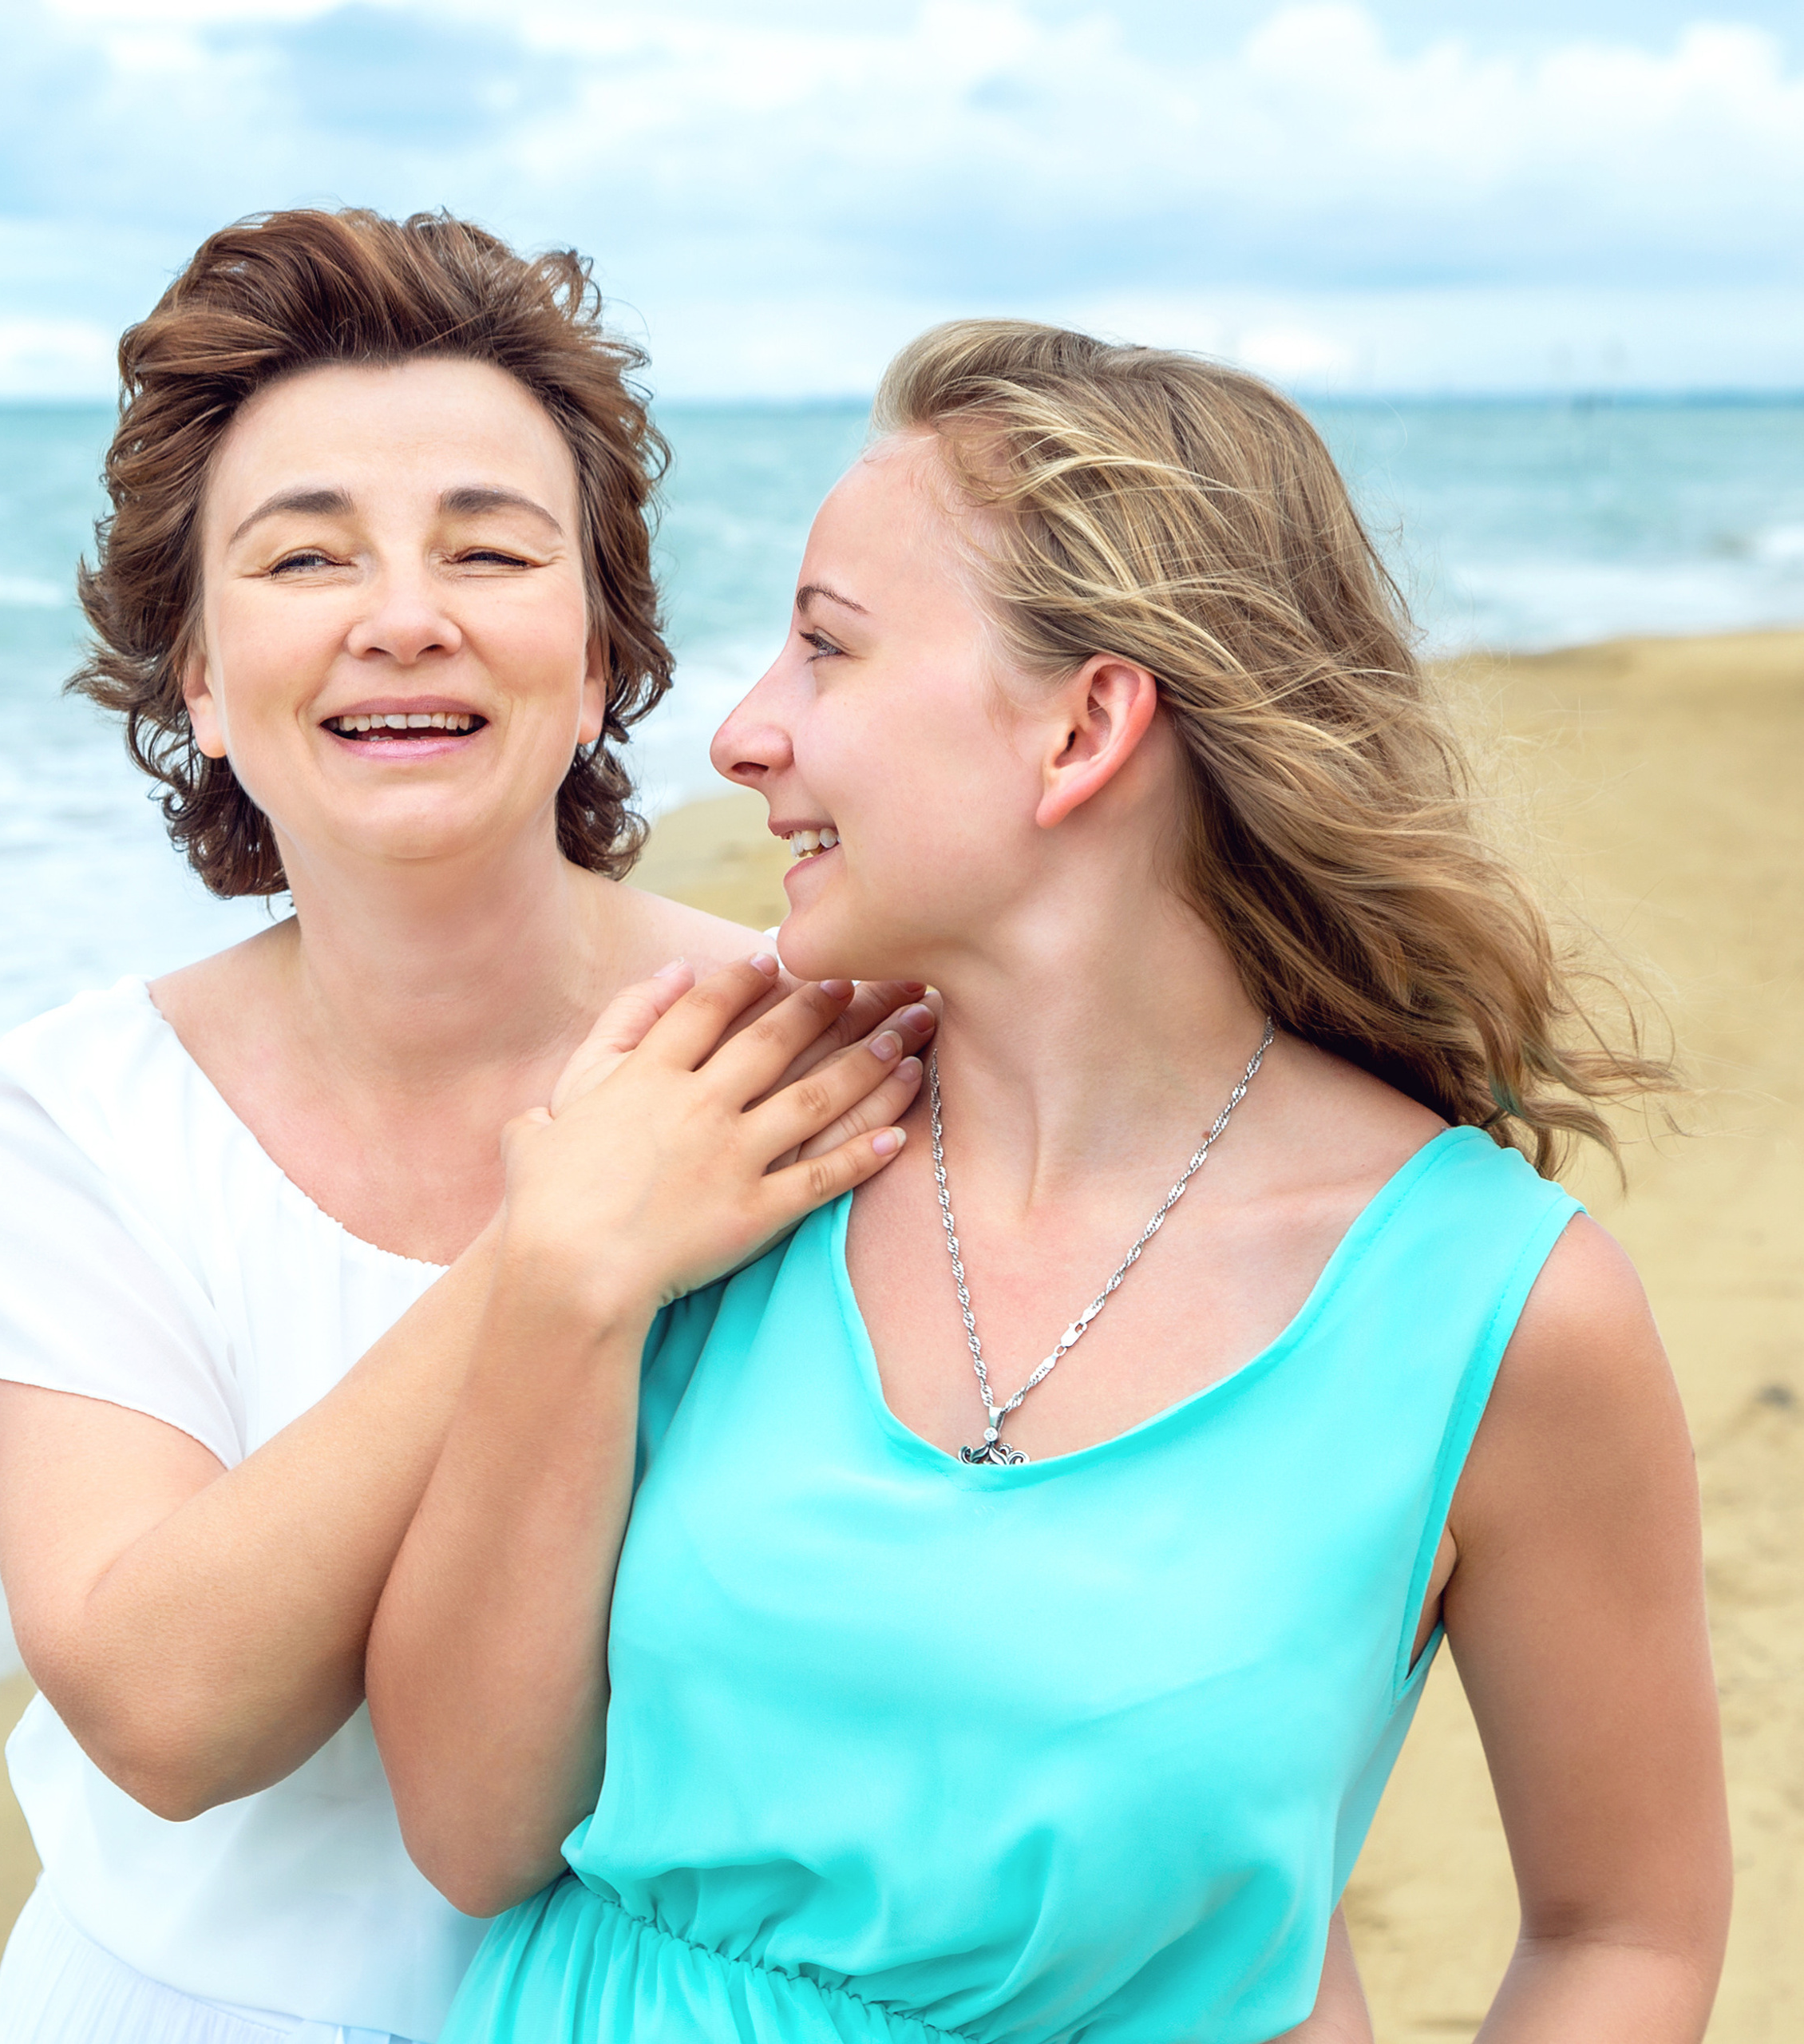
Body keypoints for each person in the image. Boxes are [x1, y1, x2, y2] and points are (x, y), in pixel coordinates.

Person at [368, 323, 1731, 2042]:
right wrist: (559, 1281)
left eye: (823, 649)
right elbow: (472, 1832)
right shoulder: (714, 1152)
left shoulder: (1493, 1309)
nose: (739, 732)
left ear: (1083, 725)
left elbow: (1622, 1930)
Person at [0, 206, 932, 2044]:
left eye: (490, 547)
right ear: (202, 678)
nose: (407, 615)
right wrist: (564, 1245)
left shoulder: (819, 1056)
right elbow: (164, 1713)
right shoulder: (71, 1115)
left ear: (601, 646)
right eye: (306, 558)